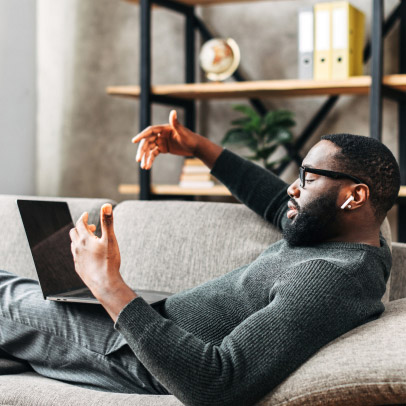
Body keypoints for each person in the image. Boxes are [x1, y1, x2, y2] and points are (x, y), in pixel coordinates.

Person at [0, 110, 400, 406]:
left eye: (308, 179)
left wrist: (108, 284)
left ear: (355, 196)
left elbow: (216, 383)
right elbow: (273, 197)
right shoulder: (345, 236)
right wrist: (197, 147)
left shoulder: (329, 280)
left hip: (129, 352)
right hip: (143, 324)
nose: (293, 190)